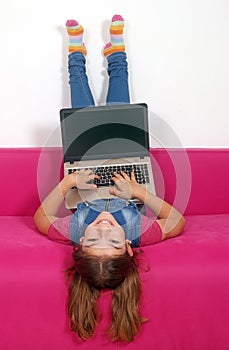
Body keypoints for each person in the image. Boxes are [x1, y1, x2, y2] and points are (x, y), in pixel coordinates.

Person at [34, 15, 185, 342]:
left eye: (93, 239)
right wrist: (137, 192)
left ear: (79, 246)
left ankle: (77, 56)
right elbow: (176, 221)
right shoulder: (138, 231)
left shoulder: (73, 229)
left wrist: (68, 184)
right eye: (113, 240)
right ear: (129, 248)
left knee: (82, 114)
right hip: (127, 172)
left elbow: (42, 219)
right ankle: (116, 54)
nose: (103, 229)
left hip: (84, 167)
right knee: (120, 110)